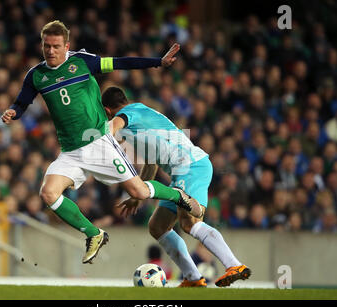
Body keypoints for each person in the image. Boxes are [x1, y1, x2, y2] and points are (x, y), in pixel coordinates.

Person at [1, 21, 202, 264]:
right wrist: (13, 111)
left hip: (97, 142)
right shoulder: (36, 75)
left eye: (56, 46)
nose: (50, 51)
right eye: (46, 46)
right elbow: (22, 102)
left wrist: (157, 62)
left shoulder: (83, 62)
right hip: (70, 151)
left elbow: (120, 62)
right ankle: (94, 234)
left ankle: (177, 195)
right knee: (49, 193)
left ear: (67, 46)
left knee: (138, 190)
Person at [102, 86, 251, 287]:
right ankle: (192, 278)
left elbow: (111, 128)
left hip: (190, 166)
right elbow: (151, 163)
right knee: (157, 226)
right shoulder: (140, 121)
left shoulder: (129, 113)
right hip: (183, 171)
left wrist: (103, 139)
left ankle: (234, 265)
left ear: (107, 110)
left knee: (189, 222)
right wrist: (138, 196)